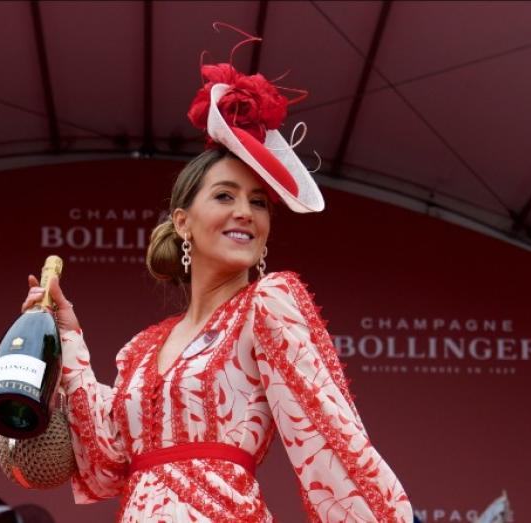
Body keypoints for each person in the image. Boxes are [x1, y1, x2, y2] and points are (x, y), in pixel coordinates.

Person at [21, 27, 412, 523]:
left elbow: (331, 441)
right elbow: (105, 468)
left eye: (258, 202)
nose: (245, 212)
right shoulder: (141, 350)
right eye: (225, 195)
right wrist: (67, 338)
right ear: (183, 221)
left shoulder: (268, 302)